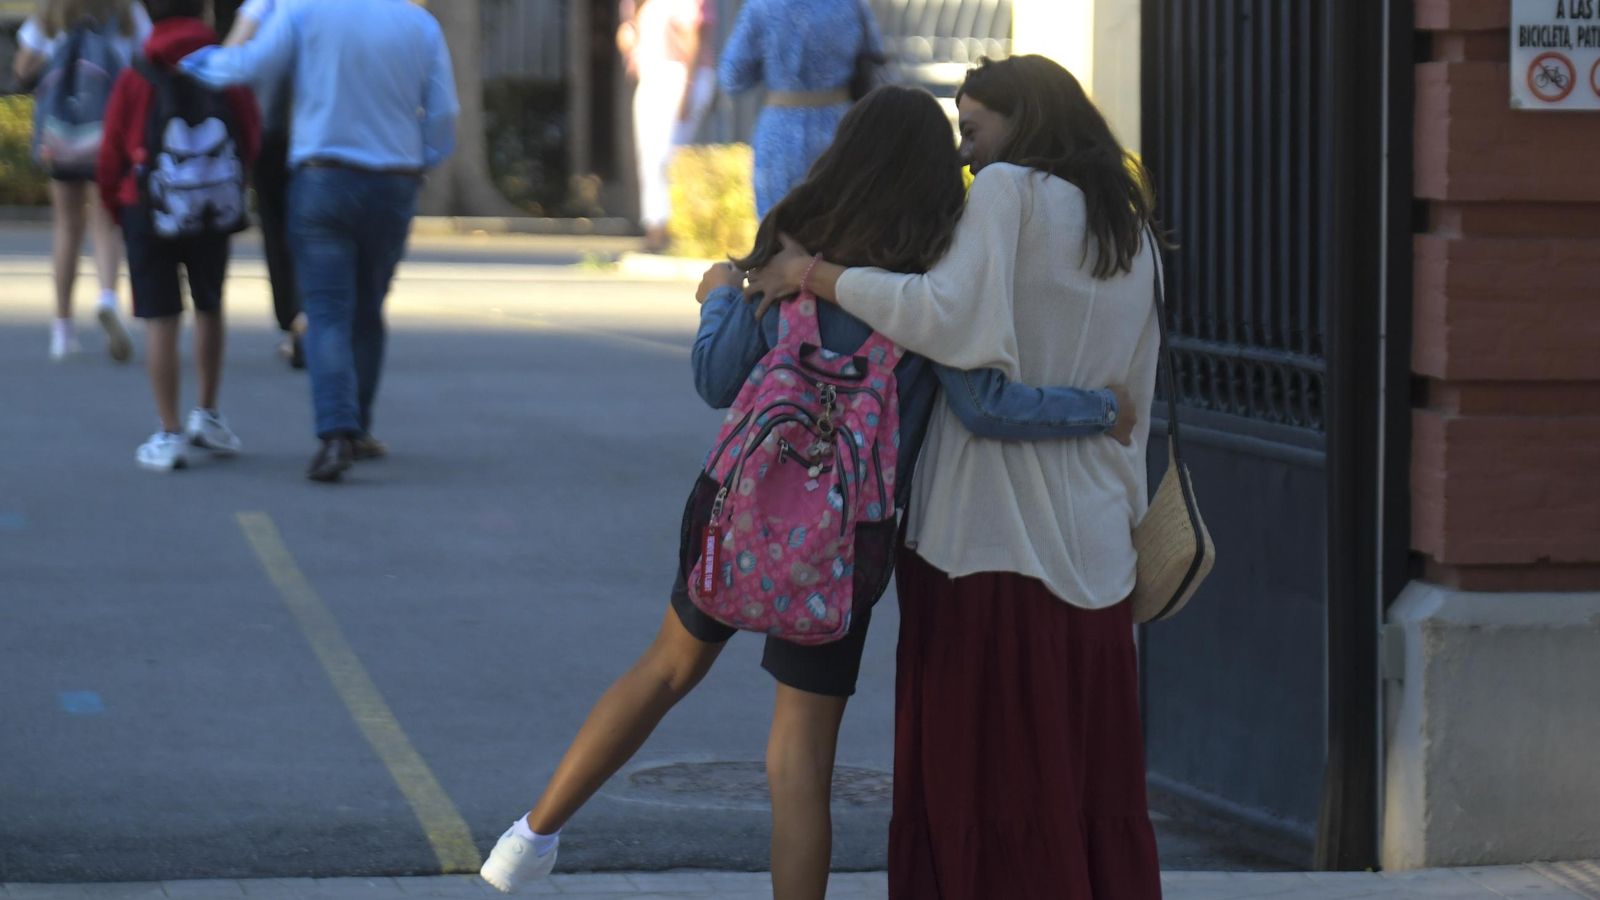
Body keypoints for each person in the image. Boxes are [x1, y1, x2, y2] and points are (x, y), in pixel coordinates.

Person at [477, 86, 1135, 900]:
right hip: (845, 542)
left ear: (846, 155)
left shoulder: (792, 252)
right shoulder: (928, 288)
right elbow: (984, 405)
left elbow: (716, 378)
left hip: (740, 510)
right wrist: (1099, 408)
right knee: (800, 760)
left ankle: (529, 837)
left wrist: (721, 296)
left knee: (666, 669)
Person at [747, 56, 1166, 899]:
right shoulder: (1131, 228)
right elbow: (1134, 393)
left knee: (982, 786)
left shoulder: (1009, 192)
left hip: (987, 540)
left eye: (974, 130)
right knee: (1083, 789)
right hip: (1096, 549)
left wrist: (814, 275)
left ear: (1025, 119)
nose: (966, 156)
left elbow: (944, 318)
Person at [177, 0, 459, 482]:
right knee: (368, 306)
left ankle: (334, 434)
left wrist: (189, 62)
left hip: (323, 175)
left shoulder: (303, 10)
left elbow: (249, 66)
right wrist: (421, 158)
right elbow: (444, 110)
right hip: (394, 179)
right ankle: (358, 428)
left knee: (326, 310)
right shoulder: (419, 23)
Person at [95, 0, 260, 472]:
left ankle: (168, 433)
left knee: (161, 319)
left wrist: (117, 206)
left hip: (148, 208)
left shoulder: (137, 72)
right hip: (212, 206)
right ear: (204, 12)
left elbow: (110, 153)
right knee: (210, 305)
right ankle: (207, 412)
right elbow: (250, 134)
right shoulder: (223, 68)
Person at [12, 0, 148, 362]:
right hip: (107, 134)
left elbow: (23, 67)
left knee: (66, 226)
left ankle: (63, 328)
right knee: (106, 221)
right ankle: (108, 297)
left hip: (60, 134)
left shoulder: (51, 10)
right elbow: (146, 59)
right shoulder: (125, 10)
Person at [718, 0, 882, 217]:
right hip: (840, 127)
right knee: (839, 224)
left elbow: (732, 77)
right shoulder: (852, 4)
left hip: (780, 131)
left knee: (777, 225)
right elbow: (876, 61)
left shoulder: (762, 6)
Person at [222, 0, 302, 369]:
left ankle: (293, 321)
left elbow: (232, 54)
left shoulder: (265, 5)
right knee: (322, 228)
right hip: (327, 131)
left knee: (277, 226)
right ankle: (315, 318)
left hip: (271, 129)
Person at [617, 0, 703, 253]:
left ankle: (668, 226)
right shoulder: (642, 6)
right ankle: (653, 224)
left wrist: (688, 87)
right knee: (648, 156)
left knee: (665, 156)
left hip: (670, 75)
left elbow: (690, 37)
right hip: (649, 75)